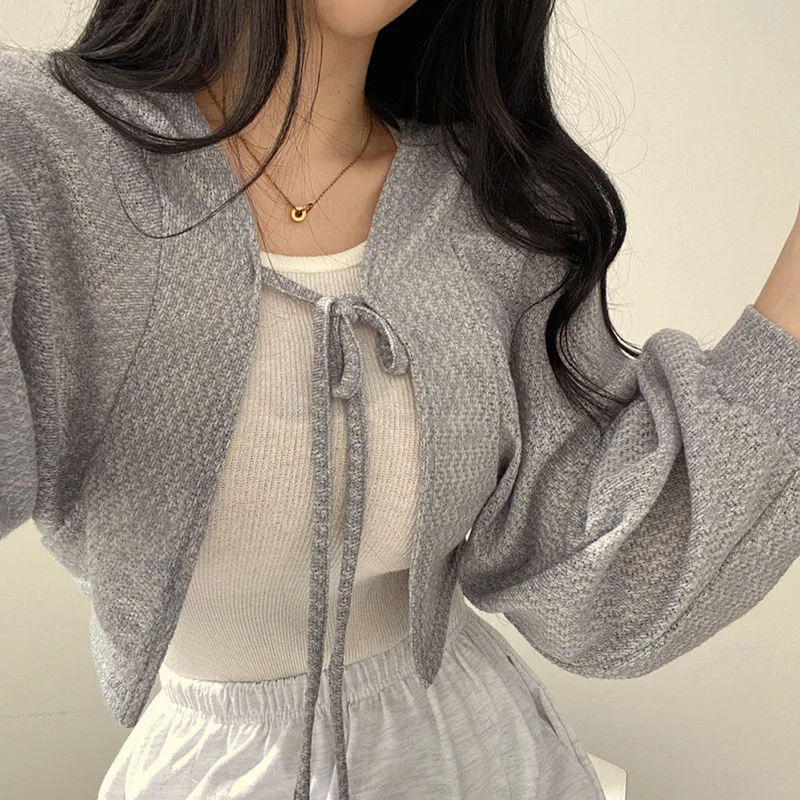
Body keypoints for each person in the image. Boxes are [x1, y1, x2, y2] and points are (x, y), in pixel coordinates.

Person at [2, 1, 799, 798]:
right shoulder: (37, 150)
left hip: (486, 759)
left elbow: (613, 577)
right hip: (214, 770)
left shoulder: (492, 204)